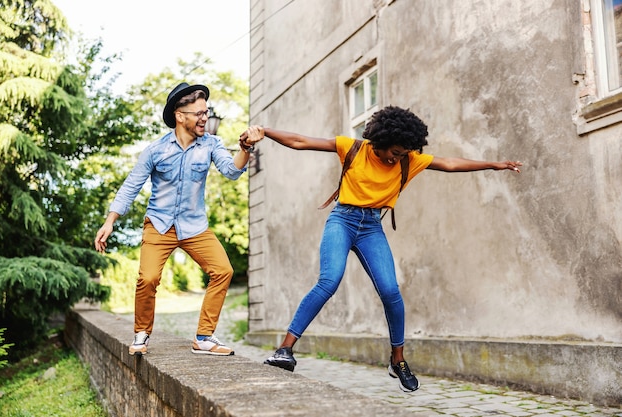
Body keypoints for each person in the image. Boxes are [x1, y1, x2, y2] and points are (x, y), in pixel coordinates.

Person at [243, 106, 522, 392]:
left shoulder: (408, 161)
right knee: (329, 281)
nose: (396, 158)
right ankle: (285, 350)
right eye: (393, 152)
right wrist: (265, 132)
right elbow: (301, 141)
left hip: (372, 228)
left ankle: (397, 360)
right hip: (343, 220)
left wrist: (494, 165)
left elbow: (449, 163)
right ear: (380, 140)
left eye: (402, 154)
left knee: (391, 291)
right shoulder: (352, 148)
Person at [94, 82, 262, 357]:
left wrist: (245, 148)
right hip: (159, 224)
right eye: (198, 113)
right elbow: (131, 186)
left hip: (194, 226)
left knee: (223, 270)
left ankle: (204, 337)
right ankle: (141, 333)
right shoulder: (156, 150)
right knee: (147, 278)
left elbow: (232, 171)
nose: (204, 118)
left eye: (206, 112)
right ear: (179, 115)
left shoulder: (211, 144)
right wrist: (110, 221)